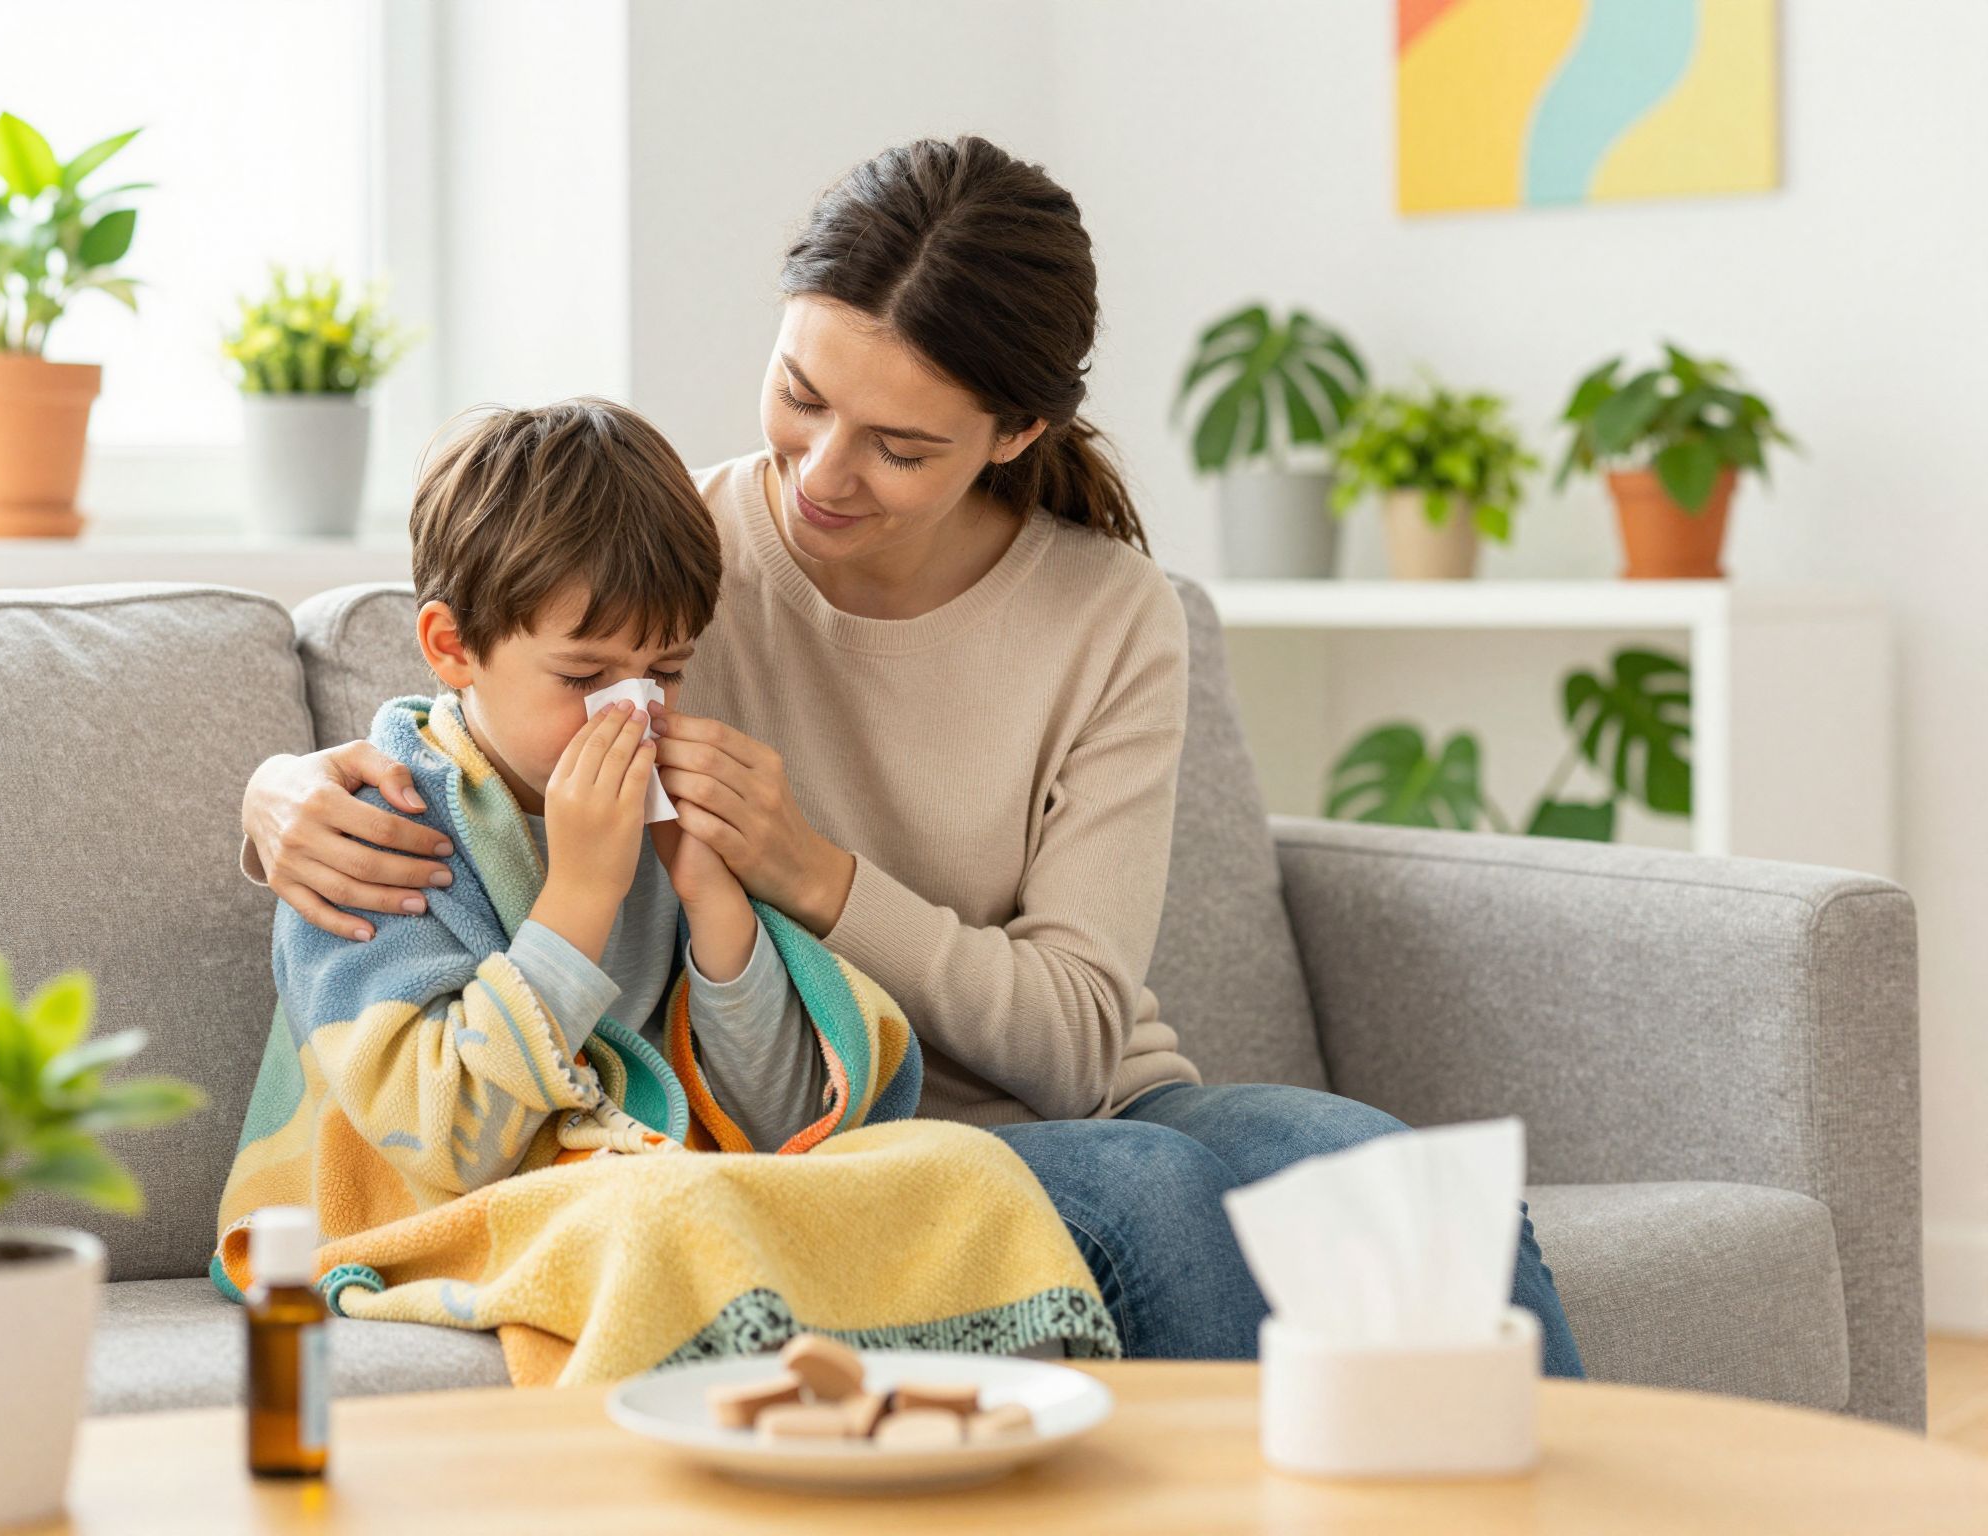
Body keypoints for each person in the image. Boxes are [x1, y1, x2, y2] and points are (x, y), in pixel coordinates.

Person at [238, 137, 1584, 1373]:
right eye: (800, 395)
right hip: (847, 1128)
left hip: (1086, 1098)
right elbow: (476, 661)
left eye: (899, 446)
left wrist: (811, 874)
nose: (824, 474)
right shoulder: (682, 562)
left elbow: (1073, 1047)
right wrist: (272, 795)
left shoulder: (1114, 616)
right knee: (1157, 1201)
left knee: (1388, 1171)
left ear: (1013, 436)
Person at [219, 398, 848, 1252]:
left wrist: (711, 896)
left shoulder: (671, 825)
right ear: (451, 648)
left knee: (955, 1171)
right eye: (584, 674)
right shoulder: (370, 842)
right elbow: (447, 1140)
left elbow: (782, 1128)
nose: (632, 712)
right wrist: (582, 893)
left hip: (640, 1190)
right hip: (461, 1218)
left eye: (665, 671)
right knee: (667, 1221)